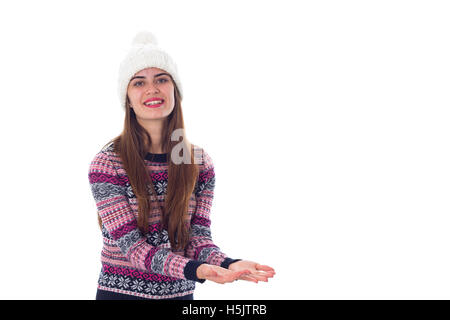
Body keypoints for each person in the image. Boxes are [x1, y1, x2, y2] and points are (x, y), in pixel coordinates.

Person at [88, 31, 275, 300]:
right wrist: (198, 271)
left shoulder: (197, 162)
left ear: (175, 89)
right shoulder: (108, 164)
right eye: (139, 83)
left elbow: (197, 239)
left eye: (161, 79)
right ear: (127, 99)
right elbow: (134, 249)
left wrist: (228, 264)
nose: (152, 89)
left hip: (180, 296)